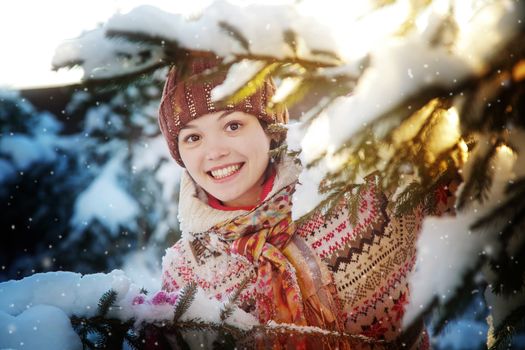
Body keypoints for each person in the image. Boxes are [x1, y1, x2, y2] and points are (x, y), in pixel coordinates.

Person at [158, 54, 443, 349]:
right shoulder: (184, 271)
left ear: (270, 130)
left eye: (232, 126)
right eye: (193, 138)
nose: (214, 152)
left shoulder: (356, 195)